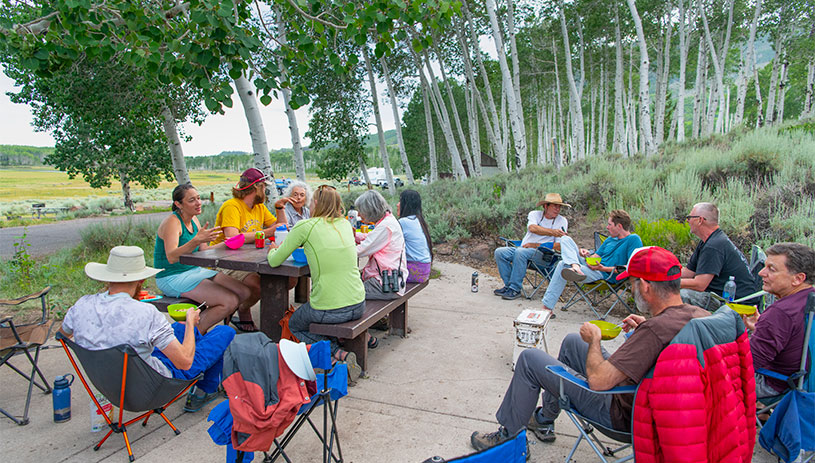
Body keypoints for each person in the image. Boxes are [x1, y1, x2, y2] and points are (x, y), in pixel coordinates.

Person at [471, 247, 710, 450]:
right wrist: (646, 326)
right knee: (573, 342)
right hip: (666, 412)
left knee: (530, 359)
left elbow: (598, 381)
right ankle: (544, 419)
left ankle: (508, 440)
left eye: (631, 283)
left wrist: (595, 340)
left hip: (621, 414)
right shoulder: (699, 317)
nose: (630, 289)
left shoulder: (655, 331)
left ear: (646, 286)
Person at [60, 246, 235, 413]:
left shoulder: (81, 305)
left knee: (176, 329)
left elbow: (62, 335)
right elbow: (185, 363)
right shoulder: (145, 313)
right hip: (154, 387)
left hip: (111, 387)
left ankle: (195, 343)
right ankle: (205, 390)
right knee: (224, 333)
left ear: (108, 278)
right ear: (141, 281)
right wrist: (191, 323)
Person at [267, 185, 364, 382]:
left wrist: (272, 248)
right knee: (314, 311)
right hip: (358, 302)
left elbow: (275, 261)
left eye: (311, 201)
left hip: (329, 308)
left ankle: (337, 356)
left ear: (317, 203)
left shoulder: (306, 226)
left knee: (295, 324)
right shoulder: (345, 224)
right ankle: (339, 354)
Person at [155, 184, 252, 334]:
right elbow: (172, 256)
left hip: (194, 270)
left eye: (199, 198)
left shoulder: (194, 220)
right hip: (172, 276)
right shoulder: (172, 222)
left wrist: (227, 243)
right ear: (178, 204)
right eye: (192, 200)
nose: (198, 203)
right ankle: (190, 335)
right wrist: (196, 240)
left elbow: (204, 250)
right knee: (229, 301)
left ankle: (215, 321)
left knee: (244, 292)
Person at [210, 168, 288, 332]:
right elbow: (232, 238)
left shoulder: (259, 207)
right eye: (264, 187)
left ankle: (271, 317)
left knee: (286, 279)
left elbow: (280, 228)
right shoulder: (232, 206)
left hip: (249, 258)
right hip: (223, 259)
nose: (265, 191)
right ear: (256, 187)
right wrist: (267, 233)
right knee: (258, 284)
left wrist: (280, 208)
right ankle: (243, 309)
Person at [743, 242, 814, 399]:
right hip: (807, 382)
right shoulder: (810, 300)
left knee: (700, 376)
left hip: (778, 384)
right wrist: (762, 328)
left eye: (771, 269)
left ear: (798, 279)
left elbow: (746, 364)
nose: (761, 273)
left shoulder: (780, 313)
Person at [541, 210, 643, 311]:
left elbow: (630, 267)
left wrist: (603, 268)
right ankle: (575, 266)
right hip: (590, 267)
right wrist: (586, 255)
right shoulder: (609, 240)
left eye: (610, 224)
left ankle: (546, 308)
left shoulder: (633, 239)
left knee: (562, 264)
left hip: (604, 274)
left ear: (619, 226)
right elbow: (595, 257)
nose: (607, 227)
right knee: (565, 239)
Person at [680, 202, 758, 310]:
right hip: (721, 297)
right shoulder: (708, 241)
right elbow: (688, 272)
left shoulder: (714, 245)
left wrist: (667, 283)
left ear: (700, 220)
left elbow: (699, 284)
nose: (687, 221)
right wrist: (659, 274)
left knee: (680, 295)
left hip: (735, 303)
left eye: (689, 217)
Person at [494, 193, 570, 300]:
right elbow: (532, 228)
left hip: (543, 255)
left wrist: (536, 245)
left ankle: (515, 289)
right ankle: (508, 286)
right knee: (500, 252)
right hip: (523, 248)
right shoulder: (534, 214)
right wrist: (554, 232)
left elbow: (559, 245)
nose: (557, 209)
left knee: (520, 253)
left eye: (559, 206)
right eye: (554, 206)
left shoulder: (562, 221)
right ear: (546, 206)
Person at [355, 189, 409, 300]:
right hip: (389, 281)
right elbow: (372, 239)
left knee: (346, 294)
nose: (359, 215)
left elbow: (360, 251)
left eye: (361, 211)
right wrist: (355, 235)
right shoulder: (388, 221)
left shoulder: (386, 226)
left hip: (385, 285)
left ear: (370, 210)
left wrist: (337, 250)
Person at [397, 189, 433, 284]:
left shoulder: (404, 222)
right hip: (425, 269)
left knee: (382, 272)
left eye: (400, 201)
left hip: (414, 271)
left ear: (406, 205)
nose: (397, 204)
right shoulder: (419, 220)